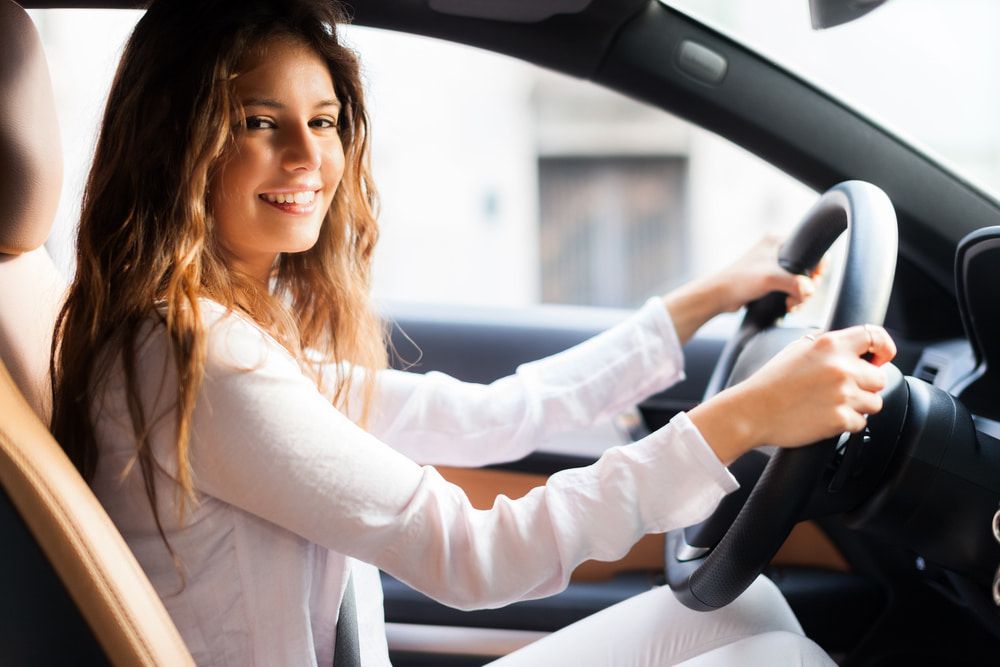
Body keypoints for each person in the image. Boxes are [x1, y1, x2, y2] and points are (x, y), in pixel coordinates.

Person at [50, 0, 895, 665]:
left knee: (757, 613)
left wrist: (696, 303)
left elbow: (493, 414)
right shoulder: (197, 353)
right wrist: (743, 418)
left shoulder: (212, 330)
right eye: (259, 122)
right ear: (178, 145)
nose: (308, 156)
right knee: (773, 654)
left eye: (325, 119)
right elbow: (472, 555)